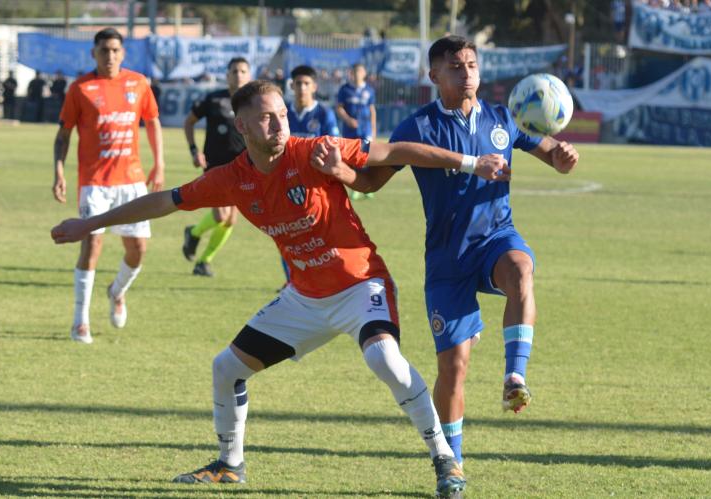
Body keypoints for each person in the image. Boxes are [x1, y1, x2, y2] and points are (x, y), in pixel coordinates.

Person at [50, 79, 516, 498]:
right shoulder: (232, 179)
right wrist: (90, 223)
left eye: (283, 114)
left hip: (360, 285)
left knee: (384, 358)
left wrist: (472, 162)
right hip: (304, 299)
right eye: (267, 117)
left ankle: (443, 458)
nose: (279, 124)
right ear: (243, 125)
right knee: (226, 369)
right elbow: (165, 202)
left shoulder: (312, 149)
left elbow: (397, 152)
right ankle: (230, 465)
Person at [313, 36, 579, 467]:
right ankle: (450, 462)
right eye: (455, 66)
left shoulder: (501, 118)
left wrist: (563, 157)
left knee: (521, 270)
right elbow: (370, 182)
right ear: (434, 75)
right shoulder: (417, 127)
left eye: (472, 65)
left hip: (496, 238)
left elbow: (551, 153)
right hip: (446, 259)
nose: (467, 73)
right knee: (454, 368)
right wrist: (340, 170)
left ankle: (515, 374)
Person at [52, 27, 165, 344]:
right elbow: (63, 134)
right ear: (94, 53)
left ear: (123, 53)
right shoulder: (80, 88)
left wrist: (160, 162)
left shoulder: (138, 83)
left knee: (138, 249)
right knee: (91, 246)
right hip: (94, 183)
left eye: (115, 50)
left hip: (131, 180)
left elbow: (152, 121)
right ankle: (80, 321)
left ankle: (117, 292)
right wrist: (59, 171)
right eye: (104, 50)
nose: (110, 56)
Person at [180, 57, 250, 277]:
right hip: (215, 166)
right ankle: (194, 234)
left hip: (241, 168)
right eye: (234, 71)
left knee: (230, 220)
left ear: (248, 75)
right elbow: (189, 122)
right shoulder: (213, 99)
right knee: (220, 216)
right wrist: (194, 150)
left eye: (243, 71)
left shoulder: (253, 102)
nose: (238, 75)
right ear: (227, 75)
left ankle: (203, 259)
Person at [280, 64, 342, 285]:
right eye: (298, 83)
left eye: (306, 83)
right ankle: (293, 282)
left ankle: (321, 279)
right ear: (292, 85)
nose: (301, 88)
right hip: (285, 183)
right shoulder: (283, 113)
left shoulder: (324, 113)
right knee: (287, 235)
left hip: (316, 185)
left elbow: (334, 146)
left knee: (319, 235)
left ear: (314, 86)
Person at [336, 63, 378, 201]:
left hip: (365, 129)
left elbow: (372, 110)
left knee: (366, 157)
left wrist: (373, 128)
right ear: (351, 73)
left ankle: (368, 188)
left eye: (360, 71)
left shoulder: (369, 90)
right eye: (355, 71)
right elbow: (339, 108)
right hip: (350, 130)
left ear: (364, 73)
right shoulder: (345, 89)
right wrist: (348, 120)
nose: (357, 74)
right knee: (352, 158)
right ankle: (355, 187)